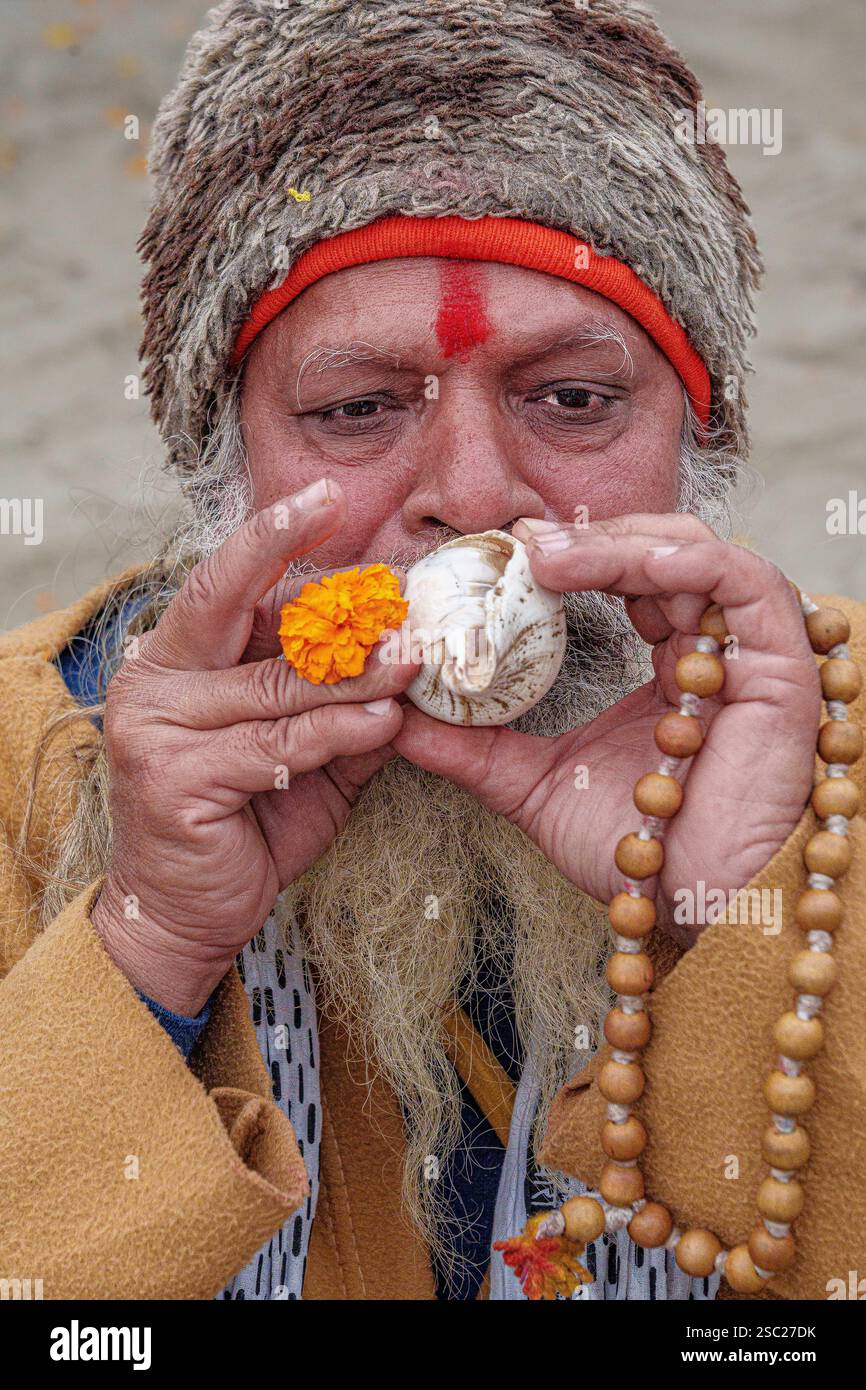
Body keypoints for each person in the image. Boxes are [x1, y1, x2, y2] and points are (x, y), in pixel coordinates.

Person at [1, 0, 862, 1301]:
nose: (470, 492)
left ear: (701, 448)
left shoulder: (830, 752)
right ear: (220, 471)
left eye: (571, 398)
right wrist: (150, 943)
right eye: (353, 409)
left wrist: (740, 914)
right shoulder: (31, 766)